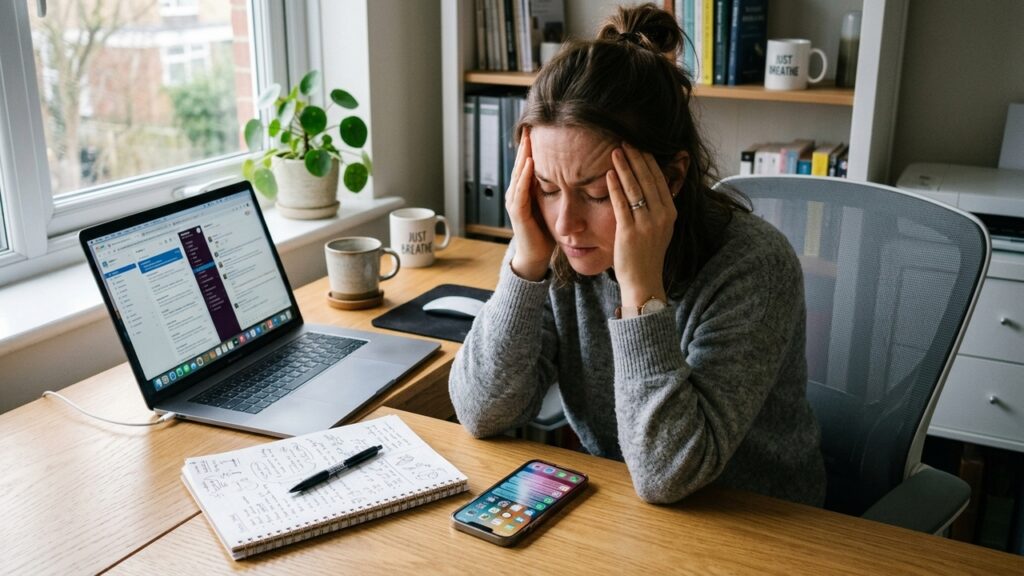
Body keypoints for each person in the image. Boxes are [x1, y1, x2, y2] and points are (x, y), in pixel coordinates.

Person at [449, 3, 826, 506]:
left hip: (761, 524)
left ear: (668, 179)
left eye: (597, 194)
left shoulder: (754, 267)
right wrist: (524, 267)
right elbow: (482, 412)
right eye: (546, 186)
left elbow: (670, 474)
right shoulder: (554, 245)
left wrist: (641, 292)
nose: (566, 223)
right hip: (624, 516)